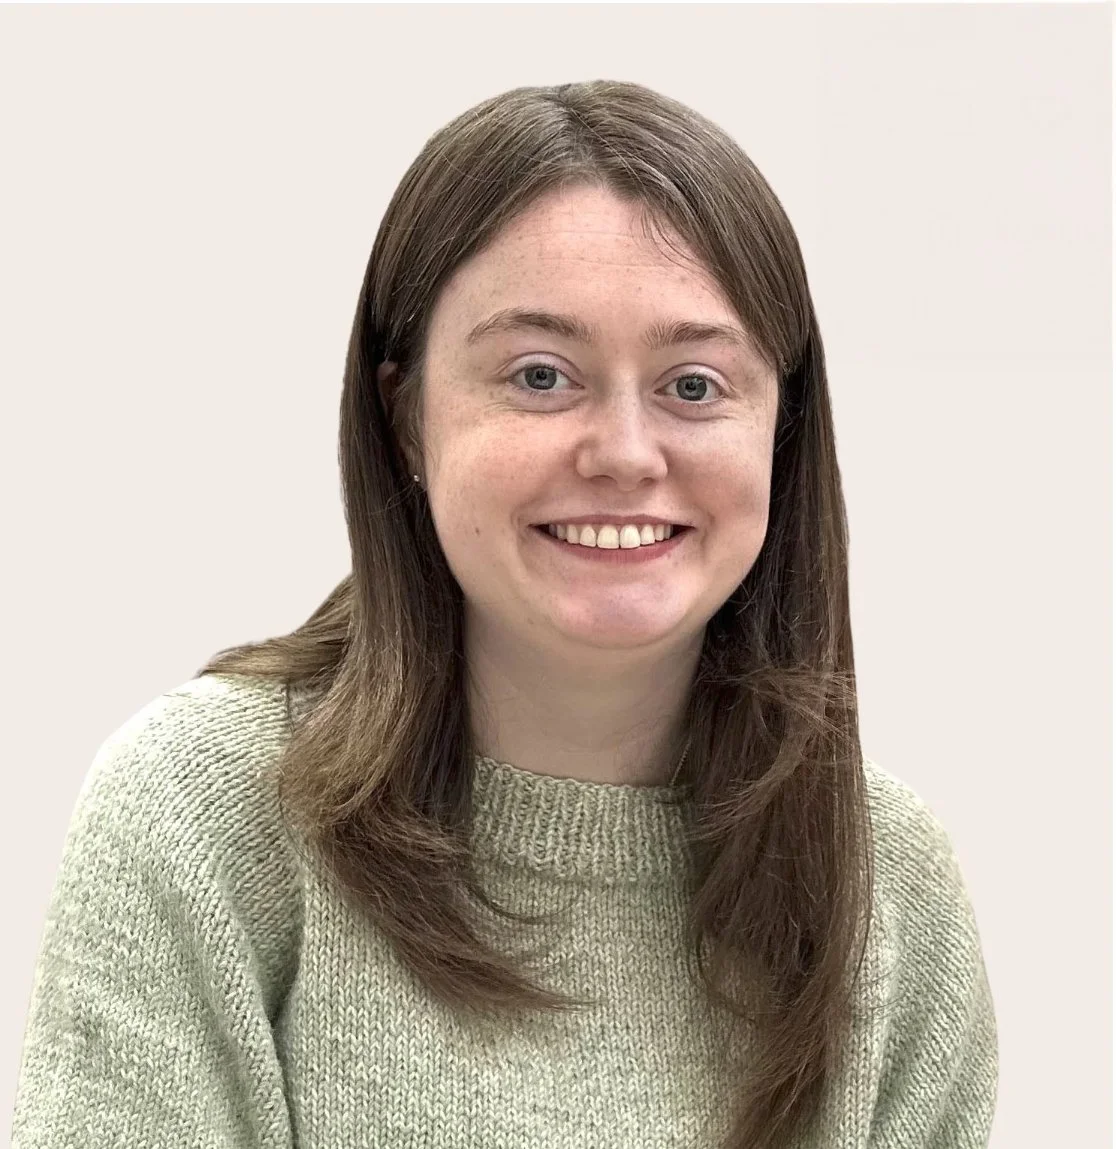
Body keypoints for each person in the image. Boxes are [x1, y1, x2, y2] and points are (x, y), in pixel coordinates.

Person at [11, 80, 998, 1149]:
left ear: (782, 429)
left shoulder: (886, 879)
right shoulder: (205, 815)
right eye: (539, 376)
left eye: (695, 386)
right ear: (404, 421)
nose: (625, 453)